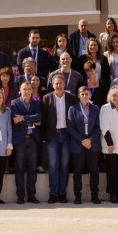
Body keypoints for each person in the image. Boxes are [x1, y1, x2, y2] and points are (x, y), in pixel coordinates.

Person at [41, 74, 77, 203]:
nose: (58, 86)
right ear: (52, 85)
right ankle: (53, 193)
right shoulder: (46, 98)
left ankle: (62, 193)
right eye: (56, 83)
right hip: (53, 135)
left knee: (65, 165)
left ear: (64, 84)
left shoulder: (71, 98)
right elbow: (44, 119)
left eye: (60, 83)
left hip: (66, 134)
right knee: (53, 166)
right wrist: (45, 136)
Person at [65, 86, 101, 204]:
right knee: (77, 172)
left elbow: (98, 127)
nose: (85, 96)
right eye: (82, 94)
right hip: (78, 145)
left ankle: (95, 195)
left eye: (86, 94)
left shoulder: (95, 108)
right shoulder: (72, 109)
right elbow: (70, 128)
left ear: (89, 95)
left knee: (94, 171)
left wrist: (90, 140)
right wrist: (82, 140)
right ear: (78, 95)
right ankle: (78, 196)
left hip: (92, 145)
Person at [9, 81, 42, 204]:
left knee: (32, 168)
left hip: (33, 139)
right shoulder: (15, 103)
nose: (27, 91)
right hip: (20, 140)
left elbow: (39, 117)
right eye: (24, 89)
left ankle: (31, 195)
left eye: (29, 89)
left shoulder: (37, 103)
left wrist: (23, 117)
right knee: (19, 168)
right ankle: (21, 195)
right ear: (20, 91)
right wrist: (32, 119)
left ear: (32, 90)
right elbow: (15, 119)